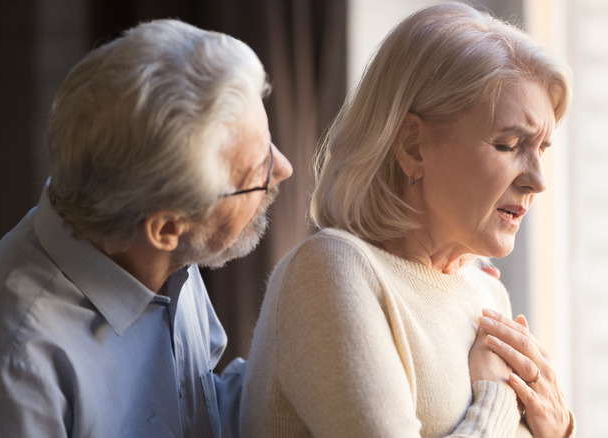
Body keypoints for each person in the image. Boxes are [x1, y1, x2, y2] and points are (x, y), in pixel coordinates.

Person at [0, 19, 292, 437]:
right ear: (166, 227)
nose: (285, 169)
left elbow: (193, 419)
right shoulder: (9, 367)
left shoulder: (163, 261)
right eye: (257, 171)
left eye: (269, 143)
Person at [241, 3, 574, 437]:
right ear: (413, 146)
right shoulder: (331, 271)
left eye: (542, 149)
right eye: (509, 144)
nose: (538, 181)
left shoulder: (487, 294)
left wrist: (558, 430)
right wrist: (496, 401)